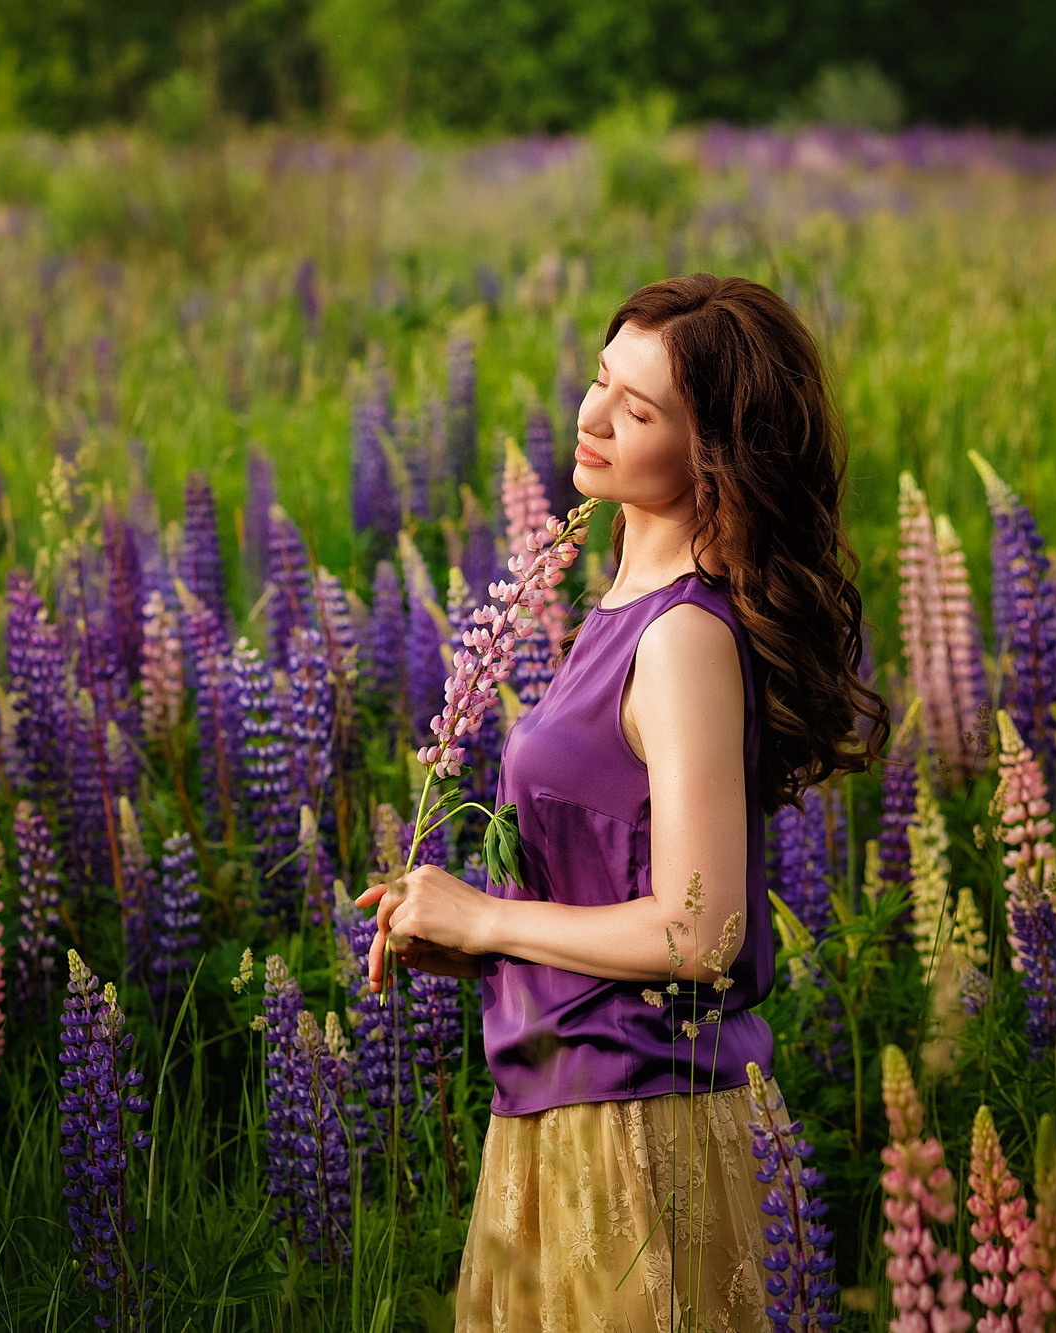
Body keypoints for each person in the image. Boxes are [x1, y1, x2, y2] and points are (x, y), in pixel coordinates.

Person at [353, 274, 889, 1332]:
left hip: (643, 1140)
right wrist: (479, 948)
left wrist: (489, 915)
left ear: (712, 455)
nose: (591, 417)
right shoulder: (617, 609)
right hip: (560, 1116)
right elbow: (623, 888)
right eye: (601, 380)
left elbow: (701, 930)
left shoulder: (682, 637)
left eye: (636, 408)